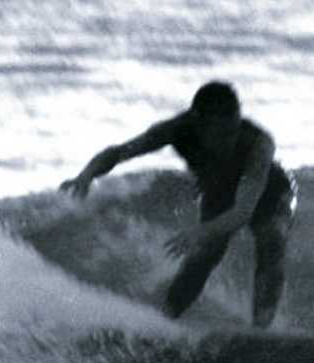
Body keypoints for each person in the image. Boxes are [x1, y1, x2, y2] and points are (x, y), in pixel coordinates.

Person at [60, 81, 296, 328]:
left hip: (270, 192)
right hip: (220, 192)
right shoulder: (177, 130)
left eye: (233, 130)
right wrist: (86, 174)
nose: (230, 140)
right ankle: (165, 322)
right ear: (199, 124)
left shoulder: (258, 143)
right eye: (222, 134)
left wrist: (200, 230)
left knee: (271, 239)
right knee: (204, 255)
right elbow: (120, 152)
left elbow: (243, 211)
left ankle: (260, 330)